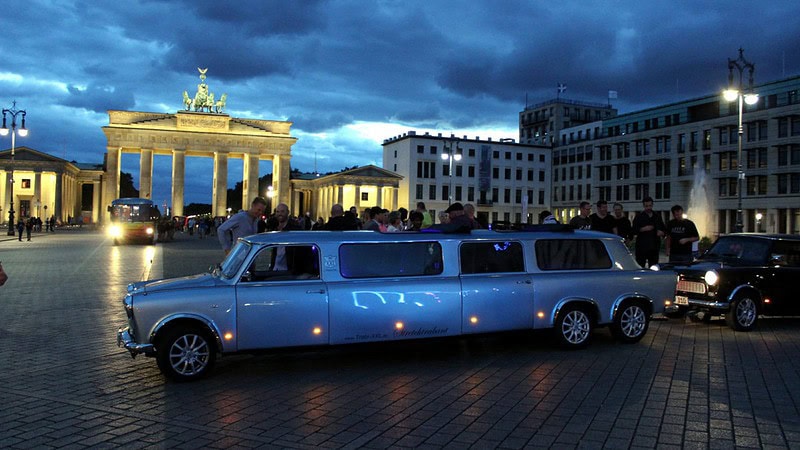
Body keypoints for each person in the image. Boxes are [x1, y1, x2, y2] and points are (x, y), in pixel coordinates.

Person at [632, 196, 666, 268]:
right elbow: (633, 230)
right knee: (640, 267)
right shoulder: (639, 216)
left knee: (654, 267)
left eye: (650, 206)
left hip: (654, 247)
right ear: (643, 206)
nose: (648, 208)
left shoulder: (657, 216)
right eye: (646, 206)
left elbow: (664, 229)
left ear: (652, 205)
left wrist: (662, 233)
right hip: (642, 247)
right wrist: (643, 229)